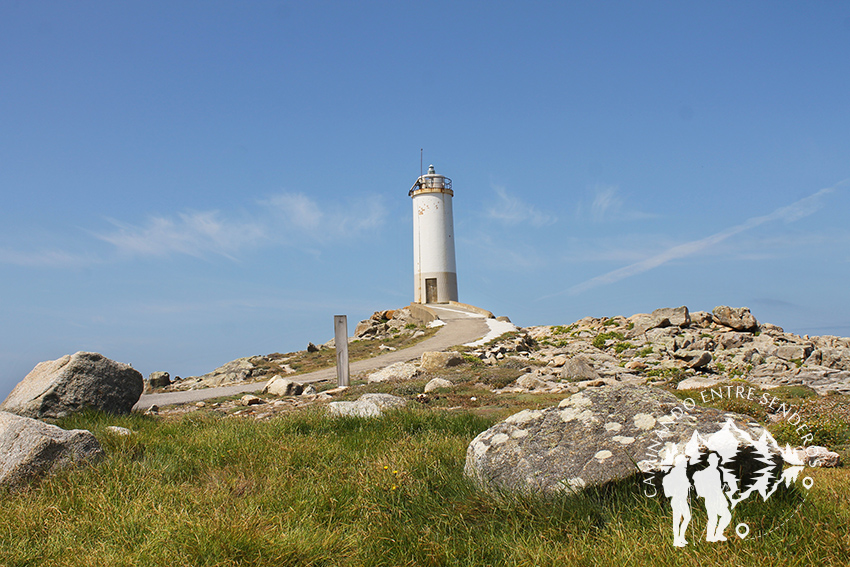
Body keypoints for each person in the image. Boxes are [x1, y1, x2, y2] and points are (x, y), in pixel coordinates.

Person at [692, 452, 732, 542]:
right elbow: (711, 486)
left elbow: (716, 486)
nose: (715, 462)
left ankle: (715, 535)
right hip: (712, 497)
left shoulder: (717, 471)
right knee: (718, 517)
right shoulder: (709, 472)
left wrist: (722, 487)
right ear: (710, 461)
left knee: (720, 517)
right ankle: (714, 535)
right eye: (713, 460)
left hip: (716, 496)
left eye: (716, 460)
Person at [662, 454, 692, 547]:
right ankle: (676, 540)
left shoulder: (683, 474)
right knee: (677, 520)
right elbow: (667, 493)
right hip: (677, 500)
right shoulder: (671, 476)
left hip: (683, 499)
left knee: (687, 517)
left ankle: (681, 537)